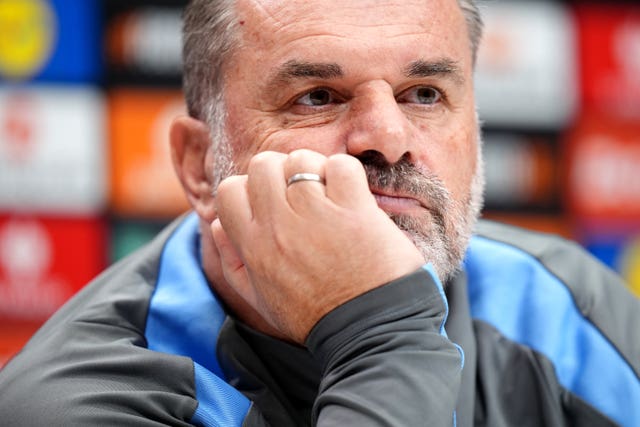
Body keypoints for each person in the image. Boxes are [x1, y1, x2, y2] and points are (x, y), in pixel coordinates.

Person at [1, 0, 638, 425]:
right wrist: (382, 332)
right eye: (317, 97)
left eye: (424, 94)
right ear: (199, 166)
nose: (387, 137)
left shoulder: (559, 305)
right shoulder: (76, 403)